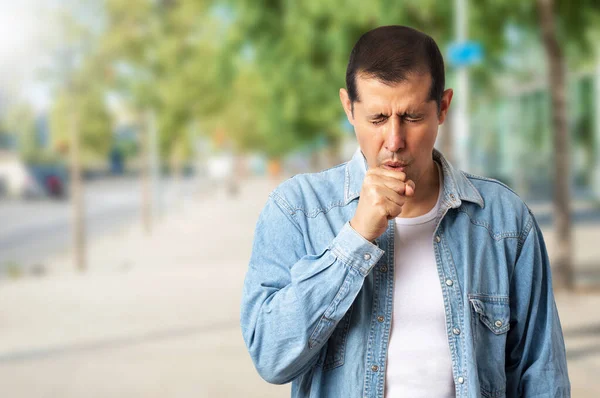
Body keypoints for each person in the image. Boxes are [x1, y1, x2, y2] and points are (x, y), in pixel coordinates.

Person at [240, 25, 570, 398]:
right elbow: (270, 357)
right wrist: (355, 238)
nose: (394, 142)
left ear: (442, 107)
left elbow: (542, 375)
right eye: (377, 119)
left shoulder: (504, 221)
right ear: (349, 108)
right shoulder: (297, 209)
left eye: (412, 118)